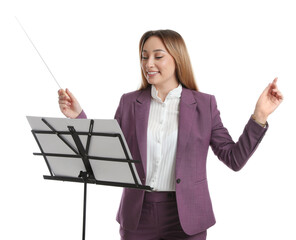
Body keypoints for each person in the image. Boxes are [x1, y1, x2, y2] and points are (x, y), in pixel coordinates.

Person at [58, 30, 283, 240]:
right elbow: (105, 153)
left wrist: (260, 115)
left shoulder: (204, 105)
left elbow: (234, 158)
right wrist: (78, 116)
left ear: (177, 59)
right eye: (144, 57)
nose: (149, 64)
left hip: (187, 217)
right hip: (138, 215)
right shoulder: (130, 102)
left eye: (158, 56)